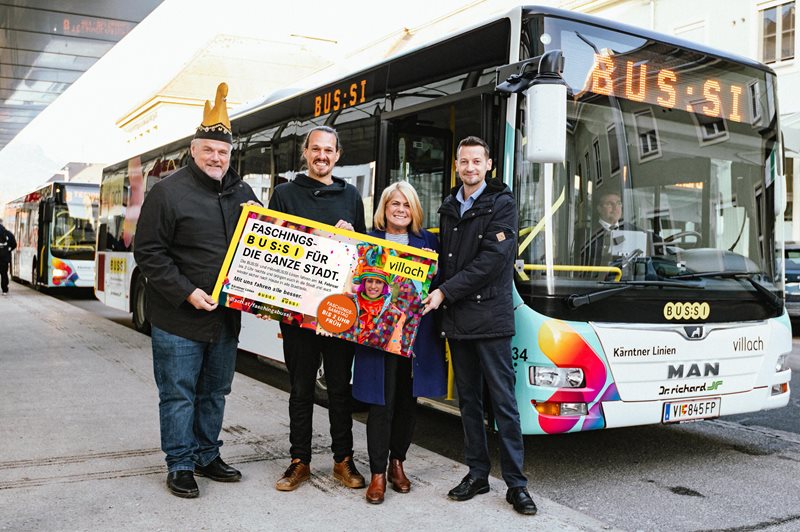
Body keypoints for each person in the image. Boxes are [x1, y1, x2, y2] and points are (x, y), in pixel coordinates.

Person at [134, 82, 258, 498]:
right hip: (179, 317)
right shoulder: (167, 192)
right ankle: (181, 463)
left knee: (215, 391)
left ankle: (207, 454)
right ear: (194, 149)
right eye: (209, 150)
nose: (217, 158)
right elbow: (149, 253)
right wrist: (187, 292)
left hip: (224, 317)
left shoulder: (244, 192)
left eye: (223, 152)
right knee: (179, 393)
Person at [422, 136, 537, 516]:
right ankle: (477, 473)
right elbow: (447, 260)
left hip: (489, 320)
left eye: (477, 161)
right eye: (464, 162)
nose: (470, 168)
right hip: (458, 321)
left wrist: (443, 294)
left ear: (489, 165)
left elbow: (492, 262)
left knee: (503, 403)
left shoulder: (502, 204)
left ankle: (517, 485)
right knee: (468, 402)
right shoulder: (448, 205)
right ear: (456, 165)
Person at [268, 125, 367, 492]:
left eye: (329, 150)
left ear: (337, 155)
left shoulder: (351, 196)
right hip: (298, 309)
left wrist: (351, 237)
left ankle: (343, 460)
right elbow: (272, 248)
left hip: (338, 311)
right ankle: (299, 461)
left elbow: (363, 258)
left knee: (340, 387)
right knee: (300, 387)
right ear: (305, 153)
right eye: (315, 149)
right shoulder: (284, 194)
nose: (322, 156)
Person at [351, 182, 446, 504]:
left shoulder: (428, 242)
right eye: (394, 203)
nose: (401, 209)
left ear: (415, 210)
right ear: (384, 208)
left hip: (415, 337)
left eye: (407, 204)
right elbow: (352, 282)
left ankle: (397, 464)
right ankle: (377, 472)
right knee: (380, 403)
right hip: (378, 337)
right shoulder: (369, 241)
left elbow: (440, 284)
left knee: (407, 403)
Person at [0, 218, 17, 296]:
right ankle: (5, 290)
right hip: (5, 257)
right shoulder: (8, 233)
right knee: (4, 273)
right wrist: (8, 250)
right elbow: (14, 244)